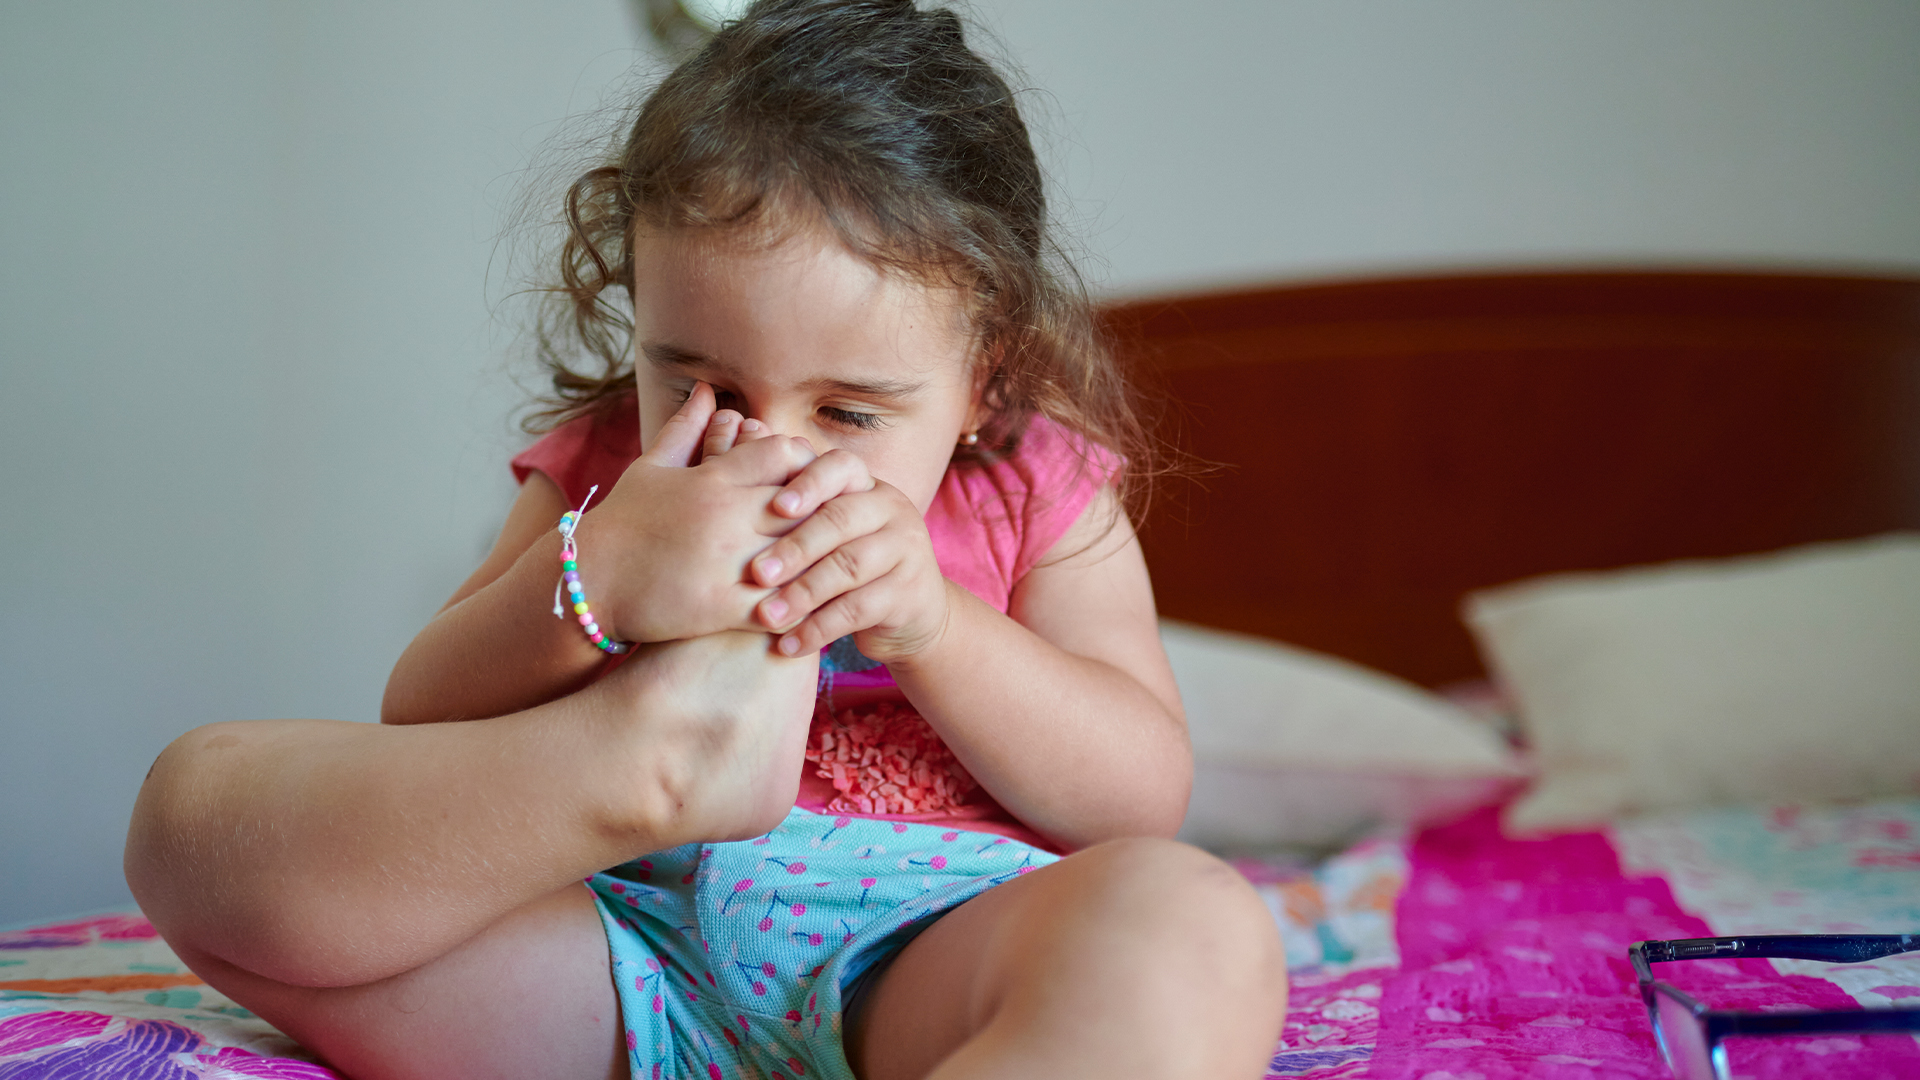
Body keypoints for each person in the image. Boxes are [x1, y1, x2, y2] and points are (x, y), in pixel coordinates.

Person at [124, 2, 1288, 1077]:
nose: (768, 450)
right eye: (703, 384)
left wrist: (937, 626)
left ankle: (673, 770)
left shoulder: (1032, 485)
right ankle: (648, 766)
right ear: (640, 327)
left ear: (984, 381)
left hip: (925, 950)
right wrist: (597, 579)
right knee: (199, 813)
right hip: (614, 950)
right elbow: (423, 716)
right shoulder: (610, 472)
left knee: (1192, 925)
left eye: (848, 412)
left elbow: (1140, 791)